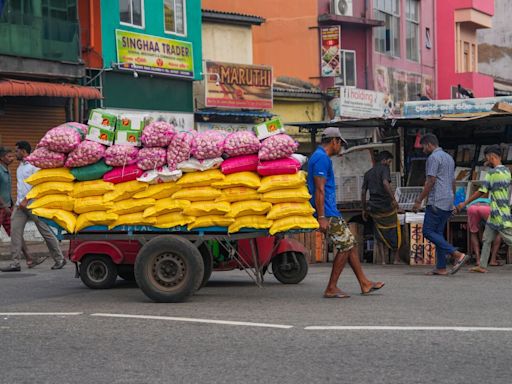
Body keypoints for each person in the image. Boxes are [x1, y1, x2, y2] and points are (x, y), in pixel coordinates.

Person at [307, 127, 384, 298]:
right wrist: (321, 217)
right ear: (334, 141)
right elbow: (319, 190)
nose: (340, 147)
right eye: (340, 143)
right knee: (347, 245)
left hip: (329, 210)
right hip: (326, 212)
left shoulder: (320, 157)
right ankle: (331, 287)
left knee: (350, 244)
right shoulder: (321, 159)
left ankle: (364, 283)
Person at [0, 141, 66, 272]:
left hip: (34, 205)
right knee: (15, 232)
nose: (15, 154)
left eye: (17, 151)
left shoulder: (34, 166)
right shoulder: (19, 167)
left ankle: (59, 259)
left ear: (24, 151)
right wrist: (19, 202)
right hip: (20, 207)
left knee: (45, 232)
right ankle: (15, 263)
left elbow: (38, 185)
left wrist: (27, 199)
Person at [412, 134, 467, 275]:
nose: (423, 149)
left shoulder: (433, 158)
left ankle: (456, 254)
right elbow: (453, 181)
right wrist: (453, 200)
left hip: (436, 200)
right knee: (437, 234)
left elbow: (430, 181)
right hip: (447, 200)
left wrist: (419, 200)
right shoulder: (448, 158)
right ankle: (441, 267)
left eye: (423, 146)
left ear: (429, 144)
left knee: (428, 231)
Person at [456, 145, 512, 273]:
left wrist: (465, 203)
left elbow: (481, 191)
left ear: (492, 157)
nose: (486, 160)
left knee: (509, 239)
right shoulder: (506, 171)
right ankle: (482, 265)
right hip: (499, 211)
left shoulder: (492, 173)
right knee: (486, 238)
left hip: (498, 213)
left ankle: (482, 265)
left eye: (487, 158)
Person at [361, 151, 402, 264]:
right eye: (389, 161)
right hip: (387, 205)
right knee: (394, 229)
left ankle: (383, 260)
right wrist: (393, 199)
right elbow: (385, 183)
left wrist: (364, 208)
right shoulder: (384, 168)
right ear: (384, 161)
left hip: (374, 208)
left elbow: (363, 192)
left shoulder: (368, 173)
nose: (389, 164)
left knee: (379, 232)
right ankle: (395, 259)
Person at [0, 147, 33, 266]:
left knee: (16, 233)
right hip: (2, 208)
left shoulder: (7, 170)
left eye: (12, 156)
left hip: (8, 207)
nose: (12, 158)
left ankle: (29, 258)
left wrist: (12, 203)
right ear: (2, 158)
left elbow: (7, 190)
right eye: (9, 156)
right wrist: (4, 206)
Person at [466, 199, 502, 266]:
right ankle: (493, 260)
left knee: (473, 232)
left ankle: (478, 260)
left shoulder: (475, 199)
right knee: (498, 232)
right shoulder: (492, 199)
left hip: (472, 207)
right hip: (486, 207)